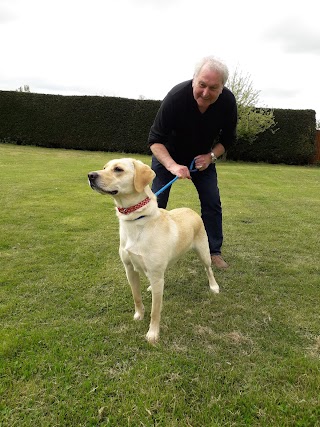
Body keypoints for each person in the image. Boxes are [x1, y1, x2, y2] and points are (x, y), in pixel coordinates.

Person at [148, 55, 237, 269]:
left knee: (212, 202)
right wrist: (172, 166)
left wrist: (211, 157)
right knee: (155, 203)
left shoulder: (227, 102)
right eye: (202, 85)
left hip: (202, 159)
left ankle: (214, 251)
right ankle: (149, 247)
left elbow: (228, 140)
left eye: (213, 88)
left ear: (222, 88)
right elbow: (155, 140)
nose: (205, 93)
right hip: (167, 156)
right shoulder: (176, 97)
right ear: (194, 79)